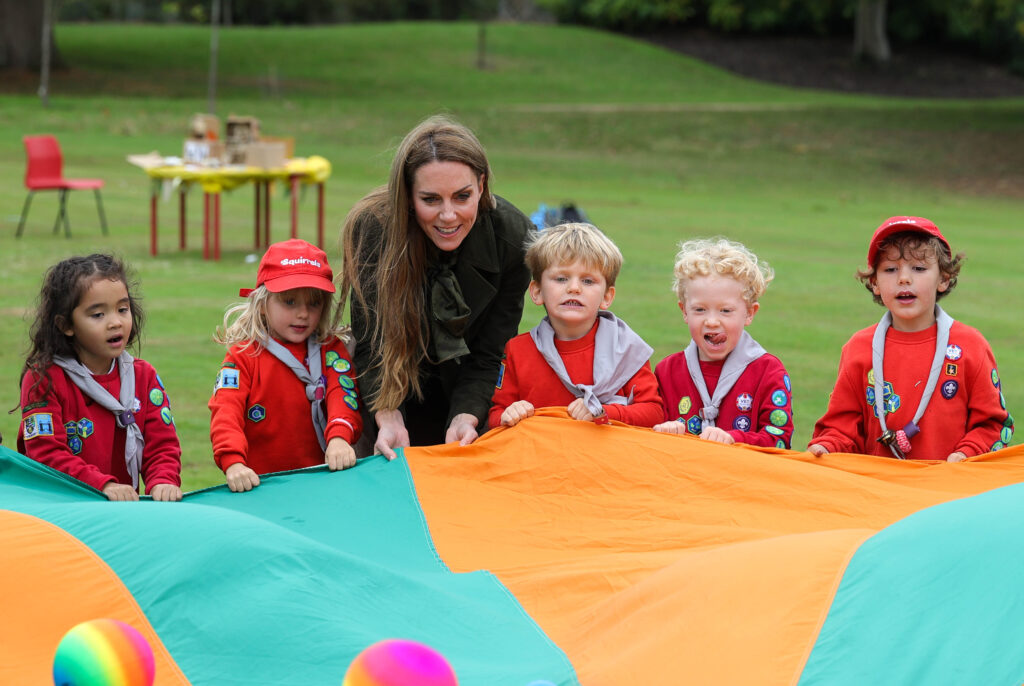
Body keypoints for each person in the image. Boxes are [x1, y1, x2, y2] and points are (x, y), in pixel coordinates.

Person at [337, 115, 533, 459]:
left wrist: (466, 415)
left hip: (468, 386)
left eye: (462, 196)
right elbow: (370, 343)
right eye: (430, 199)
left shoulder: (512, 236)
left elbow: (491, 351)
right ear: (408, 196)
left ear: (482, 185)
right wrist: (387, 414)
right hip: (389, 385)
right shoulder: (373, 229)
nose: (448, 215)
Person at [809, 216, 1012, 461]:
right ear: (874, 283)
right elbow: (842, 429)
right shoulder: (859, 348)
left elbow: (994, 425)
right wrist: (827, 446)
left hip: (949, 492)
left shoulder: (971, 346)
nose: (904, 278)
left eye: (918, 268)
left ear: (943, 279)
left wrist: (965, 454)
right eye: (890, 269)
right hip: (879, 492)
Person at [17, 254, 182, 502]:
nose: (115, 322)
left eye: (122, 309)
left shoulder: (143, 376)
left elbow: (162, 445)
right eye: (97, 315)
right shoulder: (43, 379)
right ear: (66, 325)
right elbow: (46, 454)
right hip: (63, 511)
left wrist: (163, 480)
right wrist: (101, 484)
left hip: (123, 512)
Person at [209, 239, 362, 492]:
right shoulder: (243, 356)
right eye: (289, 302)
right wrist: (233, 461)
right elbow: (226, 411)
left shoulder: (331, 350)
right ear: (261, 304)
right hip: (260, 488)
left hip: (322, 483)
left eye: (314, 302)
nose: (303, 313)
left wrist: (339, 438)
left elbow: (343, 394)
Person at [489, 223, 663, 429]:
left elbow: (654, 413)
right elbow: (495, 416)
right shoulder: (518, 350)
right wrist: (509, 413)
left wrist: (605, 412)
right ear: (536, 292)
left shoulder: (627, 349)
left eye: (588, 281)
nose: (574, 288)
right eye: (561, 279)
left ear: (607, 296)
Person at [653, 238, 793, 448]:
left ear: (749, 313)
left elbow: (780, 439)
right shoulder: (667, 371)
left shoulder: (768, 372)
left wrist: (735, 440)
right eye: (700, 310)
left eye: (725, 311)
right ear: (684, 311)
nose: (711, 321)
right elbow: (646, 431)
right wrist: (662, 429)